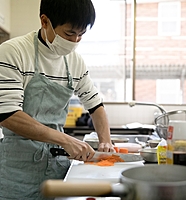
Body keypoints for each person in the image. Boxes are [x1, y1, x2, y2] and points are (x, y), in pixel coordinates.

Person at [0, 0, 114, 199]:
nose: (75, 40)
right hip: (17, 168)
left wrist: (106, 143)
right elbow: (8, 114)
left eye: (81, 35)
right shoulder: (13, 52)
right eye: (69, 33)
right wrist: (65, 140)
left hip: (58, 165)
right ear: (45, 21)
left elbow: (95, 105)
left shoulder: (75, 61)